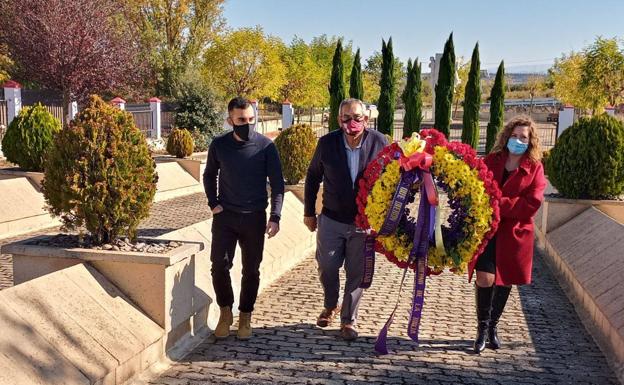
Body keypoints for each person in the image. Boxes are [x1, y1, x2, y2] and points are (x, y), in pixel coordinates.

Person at [304, 98, 388, 341]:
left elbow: (393, 178)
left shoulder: (379, 142)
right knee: (327, 266)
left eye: (357, 118)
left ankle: (349, 320)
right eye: (346, 118)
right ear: (339, 120)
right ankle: (331, 304)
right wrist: (309, 212)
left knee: (357, 273)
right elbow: (312, 177)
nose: (352, 123)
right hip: (331, 218)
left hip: (363, 223)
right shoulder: (327, 143)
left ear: (366, 119)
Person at [203, 97, 285, 340]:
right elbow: (209, 175)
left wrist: (275, 216)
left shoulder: (266, 147)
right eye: (241, 120)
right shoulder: (219, 145)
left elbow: (278, 185)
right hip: (225, 218)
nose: (247, 124)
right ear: (230, 120)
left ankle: (245, 316)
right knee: (219, 266)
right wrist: (214, 203)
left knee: (251, 270)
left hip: (254, 218)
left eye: (251, 120)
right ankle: (225, 312)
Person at [469, 115, 546, 353]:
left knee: (504, 282)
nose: (518, 140)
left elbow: (532, 203)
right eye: (514, 135)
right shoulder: (492, 160)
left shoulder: (534, 168)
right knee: (485, 277)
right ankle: (481, 328)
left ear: (530, 140)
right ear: (506, 136)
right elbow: (476, 187)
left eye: (523, 137)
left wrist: (498, 203)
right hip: (488, 229)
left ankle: (493, 326)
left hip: (515, 234)